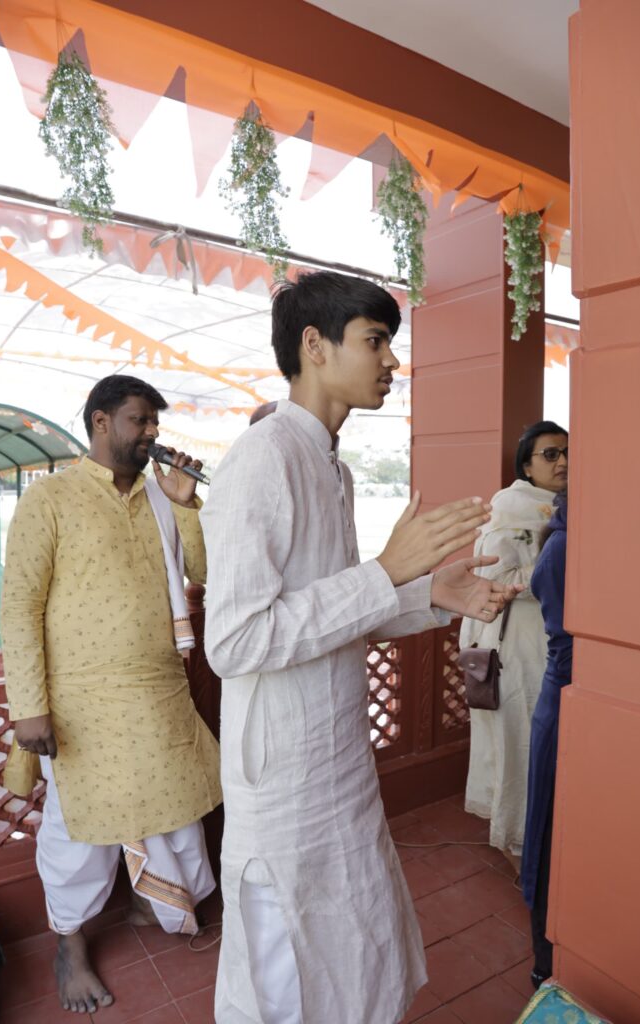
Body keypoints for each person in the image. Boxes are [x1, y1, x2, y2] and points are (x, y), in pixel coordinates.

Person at [200, 271, 522, 1024]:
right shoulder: (262, 459)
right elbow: (236, 640)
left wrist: (430, 593)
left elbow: (332, 613)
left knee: (352, 942)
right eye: (375, 341)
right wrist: (385, 572)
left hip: (337, 758)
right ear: (314, 346)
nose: (391, 361)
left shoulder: (332, 468)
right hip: (283, 777)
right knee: (286, 967)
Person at [0, 375, 222, 1015]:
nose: (151, 432)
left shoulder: (161, 497)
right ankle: (69, 947)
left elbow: (205, 572)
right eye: (139, 420)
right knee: (80, 831)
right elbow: (20, 606)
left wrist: (186, 504)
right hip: (80, 705)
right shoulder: (50, 498)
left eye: (154, 421)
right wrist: (29, 707)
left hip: (158, 693)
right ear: (101, 421)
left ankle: (158, 905)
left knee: (175, 809)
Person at [459, 421, 568, 869]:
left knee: (534, 745)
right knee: (516, 745)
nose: (563, 462)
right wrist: (555, 572)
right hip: (514, 646)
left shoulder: (564, 507)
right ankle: (516, 846)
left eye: (568, 453)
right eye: (550, 454)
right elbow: (495, 577)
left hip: (544, 642)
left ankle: (533, 840)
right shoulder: (510, 508)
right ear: (526, 464)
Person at [522, 490, 571, 989]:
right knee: (549, 833)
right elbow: (567, 645)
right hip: (564, 705)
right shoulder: (561, 546)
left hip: (581, 700)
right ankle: (544, 962)